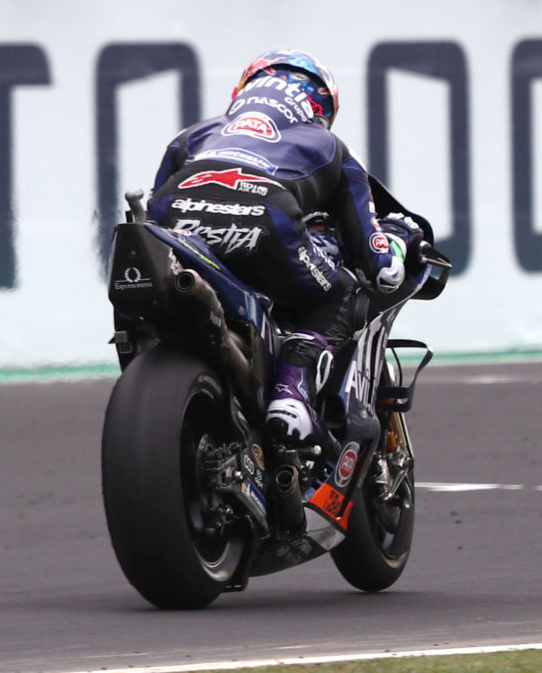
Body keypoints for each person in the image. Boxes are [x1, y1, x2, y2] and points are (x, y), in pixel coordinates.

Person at [146, 51, 427, 463]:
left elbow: (157, 204)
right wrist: (399, 244)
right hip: (267, 218)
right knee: (342, 292)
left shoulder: (194, 134)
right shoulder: (327, 144)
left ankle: (149, 358)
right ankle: (291, 391)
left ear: (240, 93)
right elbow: (379, 266)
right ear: (321, 109)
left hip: (175, 211)